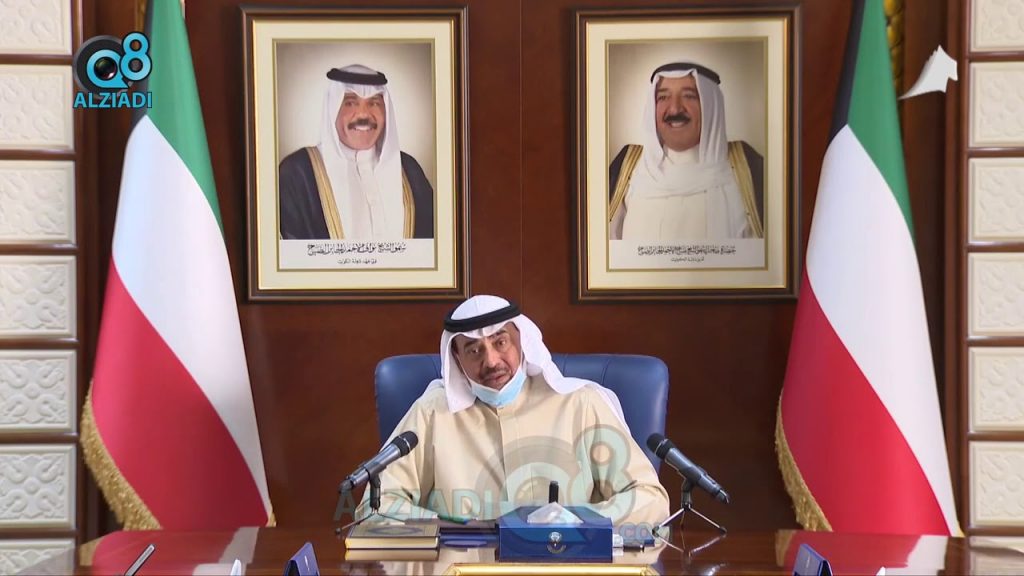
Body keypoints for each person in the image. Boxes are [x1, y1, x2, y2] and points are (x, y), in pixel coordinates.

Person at [356, 295, 670, 528]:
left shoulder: (581, 404)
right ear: (456, 360)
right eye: (474, 350)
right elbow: (373, 509)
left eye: (501, 342)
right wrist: (447, 526)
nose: (491, 361)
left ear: (522, 340)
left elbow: (651, 500)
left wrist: (581, 518)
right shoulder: (432, 413)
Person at [609, 61, 764, 241]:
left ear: (710, 106)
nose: (675, 108)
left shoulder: (746, 167)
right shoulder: (628, 167)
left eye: (689, 96)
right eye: (663, 97)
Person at [278, 64, 434, 240]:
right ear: (333, 109)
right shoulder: (297, 173)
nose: (363, 115)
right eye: (350, 103)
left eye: (374, 103)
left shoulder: (409, 169)